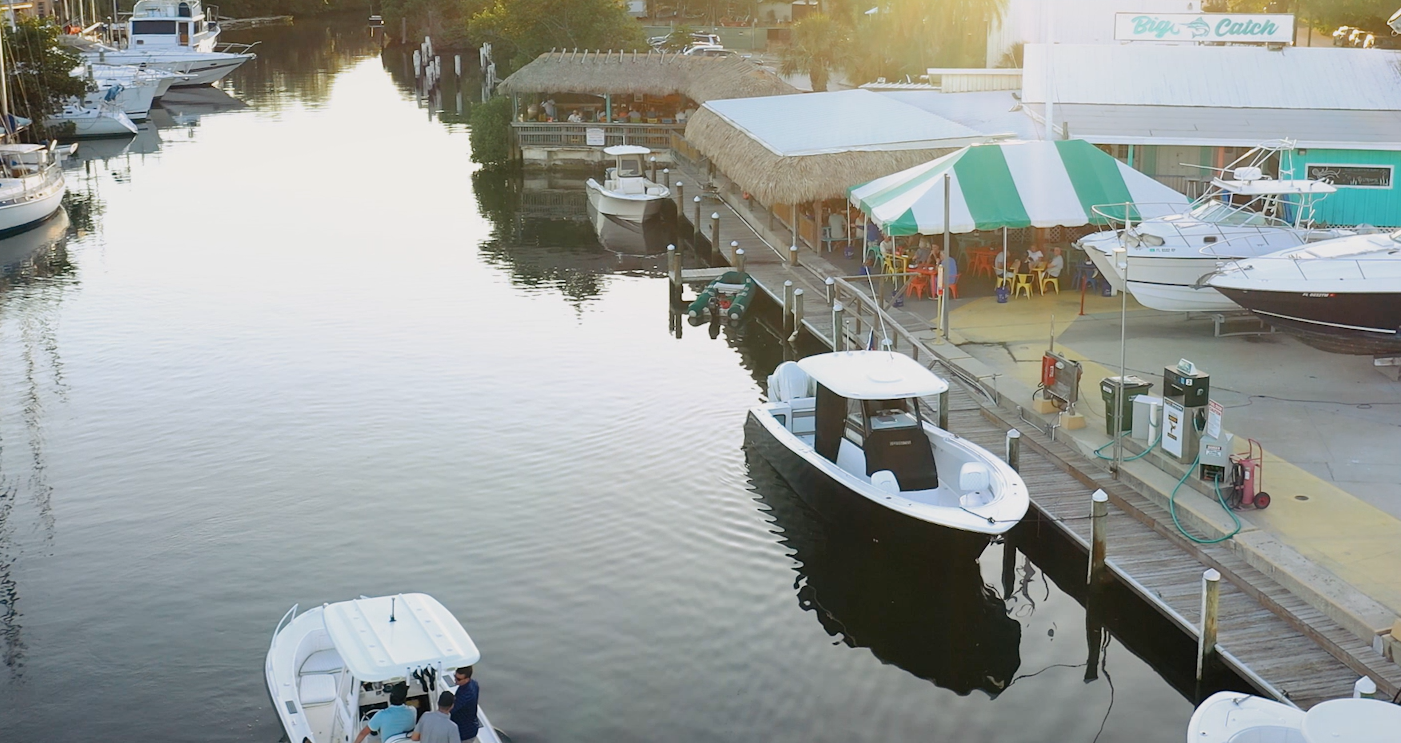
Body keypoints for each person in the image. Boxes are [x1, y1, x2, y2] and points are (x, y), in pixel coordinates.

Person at [451, 666, 481, 743]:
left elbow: (450, 710)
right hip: (471, 726)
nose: (455, 680)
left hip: (464, 733)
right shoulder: (474, 683)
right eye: (455, 676)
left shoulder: (465, 695)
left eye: (458, 679)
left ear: (467, 679)